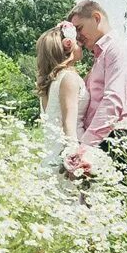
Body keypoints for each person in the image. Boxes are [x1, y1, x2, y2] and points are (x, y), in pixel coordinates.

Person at [66, 0, 127, 173]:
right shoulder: (101, 55)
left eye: (79, 28)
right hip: (105, 136)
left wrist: (85, 145)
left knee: (122, 197)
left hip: (121, 135)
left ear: (96, 17)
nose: (78, 37)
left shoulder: (119, 48)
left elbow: (113, 100)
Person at [34, 22, 88, 185]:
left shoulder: (51, 82)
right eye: (77, 41)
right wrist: (74, 161)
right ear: (68, 46)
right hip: (66, 159)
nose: (81, 44)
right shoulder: (68, 78)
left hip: (52, 154)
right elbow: (68, 124)